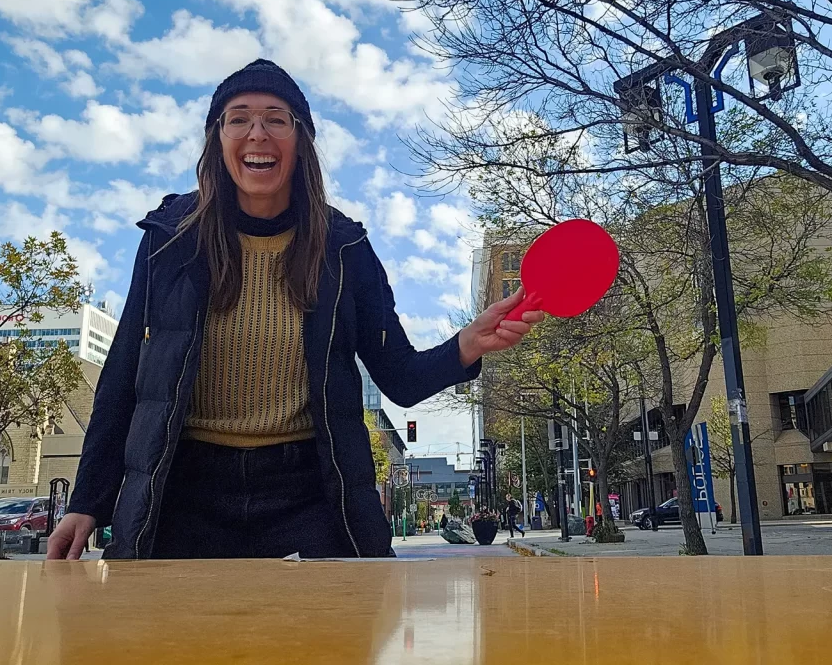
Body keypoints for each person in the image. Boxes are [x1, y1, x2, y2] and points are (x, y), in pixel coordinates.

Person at [47, 59, 544, 561]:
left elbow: (400, 377)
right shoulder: (168, 239)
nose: (257, 134)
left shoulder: (345, 248)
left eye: (275, 119)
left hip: (310, 497)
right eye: (238, 118)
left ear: (300, 138)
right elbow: (121, 377)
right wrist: (87, 499)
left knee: (333, 638)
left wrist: (469, 344)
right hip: (182, 494)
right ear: (217, 138)